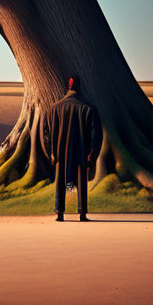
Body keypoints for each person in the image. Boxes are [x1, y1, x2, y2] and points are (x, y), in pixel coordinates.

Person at [42, 77, 103, 222]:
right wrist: (92, 155)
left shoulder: (54, 108)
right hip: (81, 150)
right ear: (79, 88)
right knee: (82, 180)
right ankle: (82, 214)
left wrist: (50, 152)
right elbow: (96, 135)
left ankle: (60, 213)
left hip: (60, 151)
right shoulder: (88, 108)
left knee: (60, 180)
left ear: (67, 87)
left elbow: (46, 133)